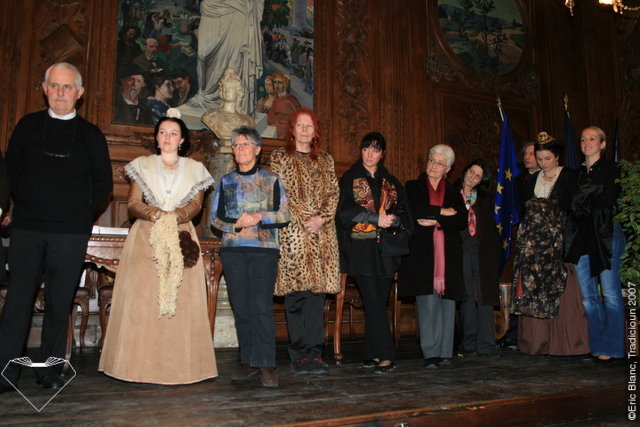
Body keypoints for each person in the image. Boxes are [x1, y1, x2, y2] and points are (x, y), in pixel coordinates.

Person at [0, 63, 113, 393]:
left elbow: (103, 183)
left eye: (67, 87)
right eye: (54, 86)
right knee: (18, 301)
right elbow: (11, 172)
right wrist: (27, 204)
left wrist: (79, 215)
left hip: (70, 232)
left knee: (59, 302)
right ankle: (5, 372)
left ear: (79, 93)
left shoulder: (91, 135)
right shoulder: (28, 126)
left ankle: (48, 373)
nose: (60, 92)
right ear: (44, 88)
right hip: (28, 228)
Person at [99, 114, 217, 384]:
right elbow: (133, 203)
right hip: (146, 238)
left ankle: (181, 367)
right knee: (142, 299)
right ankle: (135, 366)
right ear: (156, 137)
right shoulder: (142, 165)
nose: (167, 137)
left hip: (181, 235)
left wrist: (177, 215)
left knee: (182, 299)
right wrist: (156, 214)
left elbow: (196, 205)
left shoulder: (195, 169)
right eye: (163, 132)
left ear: (182, 139)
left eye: (173, 133)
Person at [210, 126, 290, 387]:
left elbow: (284, 215)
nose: (239, 149)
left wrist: (259, 216)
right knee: (241, 307)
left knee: (261, 307)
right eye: (236, 145)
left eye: (245, 144)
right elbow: (215, 219)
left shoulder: (272, 179)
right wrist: (235, 225)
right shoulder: (226, 181)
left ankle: (266, 363)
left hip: (263, 251)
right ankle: (248, 361)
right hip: (233, 250)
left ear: (257, 149)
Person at [270, 107, 341, 374]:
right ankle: (298, 354)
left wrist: (321, 218)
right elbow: (280, 192)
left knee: (316, 297)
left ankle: (315, 353)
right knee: (296, 297)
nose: (304, 129)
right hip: (293, 234)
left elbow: (333, 192)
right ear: (293, 129)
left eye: (308, 125)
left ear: (315, 131)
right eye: (299, 125)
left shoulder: (325, 159)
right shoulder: (280, 157)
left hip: (322, 236)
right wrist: (304, 218)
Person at [337, 132, 412, 374]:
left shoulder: (391, 181)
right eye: (366, 149)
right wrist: (374, 218)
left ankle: (371, 352)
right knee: (373, 300)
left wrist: (393, 219)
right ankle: (387, 355)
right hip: (361, 249)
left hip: (387, 250)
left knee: (377, 302)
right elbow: (344, 213)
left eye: (375, 150)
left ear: (382, 154)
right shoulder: (350, 178)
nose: (370, 154)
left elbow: (405, 213)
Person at [511, 133, 589, 356]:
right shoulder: (532, 179)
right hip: (534, 247)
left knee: (561, 290)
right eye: (539, 159)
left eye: (547, 159)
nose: (543, 163)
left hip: (558, 244)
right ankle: (537, 342)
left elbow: (576, 210)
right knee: (534, 290)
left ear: (557, 157)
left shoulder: (571, 176)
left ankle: (564, 344)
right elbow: (525, 211)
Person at [398, 144, 466, 369]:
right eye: (432, 160)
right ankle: (431, 353)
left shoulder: (454, 191)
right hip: (423, 255)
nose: (434, 166)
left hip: (449, 255)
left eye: (440, 163)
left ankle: (445, 351)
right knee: (427, 303)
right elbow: (415, 211)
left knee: (448, 303)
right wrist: (443, 212)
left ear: (448, 168)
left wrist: (435, 218)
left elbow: (461, 220)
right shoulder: (413, 186)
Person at [565, 126, 625, 361]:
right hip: (581, 237)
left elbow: (607, 199)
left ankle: (613, 347)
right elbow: (567, 202)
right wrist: (588, 195)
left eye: (592, 139)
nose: (586, 143)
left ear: (602, 144)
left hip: (606, 234)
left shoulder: (612, 169)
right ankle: (598, 346)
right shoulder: (575, 174)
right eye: (583, 139)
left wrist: (581, 198)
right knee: (588, 297)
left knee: (610, 292)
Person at [184, 0, 263, 114]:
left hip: (237, 9)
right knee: (203, 54)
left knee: (233, 60)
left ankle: (232, 101)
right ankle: (206, 94)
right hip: (211, 7)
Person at [455, 159, 501, 357]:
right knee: (466, 297)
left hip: (482, 253)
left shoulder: (484, 200)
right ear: (465, 170)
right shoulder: (451, 194)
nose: (472, 177)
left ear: (481, 181)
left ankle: (486, 344)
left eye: (478, 176)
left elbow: (491, 230)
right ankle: (469, 343)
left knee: (484, 296)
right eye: (471, 171)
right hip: (460, 251)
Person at [201, 68, 254, 151]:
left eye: (231, 89)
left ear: (238, 92)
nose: (227, 91)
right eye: (224, 88)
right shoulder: (210, 116)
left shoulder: (247, 121)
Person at [266, 72, 302, 139]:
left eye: (280, 83)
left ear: (285, 85)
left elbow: (288, 122)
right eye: (275, 82)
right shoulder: (277, 99)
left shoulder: (289, 100)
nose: (277, 86)